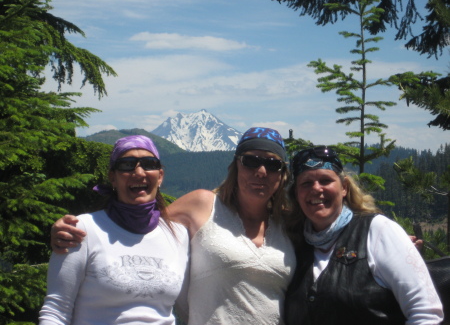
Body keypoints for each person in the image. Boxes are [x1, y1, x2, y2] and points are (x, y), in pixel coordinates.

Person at [50, 127, 297, 324]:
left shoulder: (290, 225)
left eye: (273, 164)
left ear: (282, 174)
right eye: (251, 161)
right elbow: (140, 221)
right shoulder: (201, 206)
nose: (261, 171)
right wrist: (65, 230)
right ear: (236, 165)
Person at [284, 146, 443, 325]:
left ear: (344, 188)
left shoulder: (378, 231)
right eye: (306, 183)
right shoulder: (293, 244)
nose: (316, 189)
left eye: (325, 180)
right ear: (296, 194)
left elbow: (426, 313)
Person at [39, 135, 190, 325]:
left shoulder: (178, 235)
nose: (139, 172)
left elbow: (190, 307)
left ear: (160, 176)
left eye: (149, 164)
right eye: (127, 165)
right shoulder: (83, 230)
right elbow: (56, 311)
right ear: (113, 177)